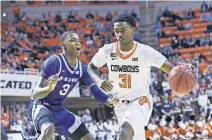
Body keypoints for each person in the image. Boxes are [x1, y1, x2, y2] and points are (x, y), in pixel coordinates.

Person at [87, 13, 174, 140]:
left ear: (133, 30)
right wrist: (99, 81)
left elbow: (169, 68)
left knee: (124, 132)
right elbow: (91, 67)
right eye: (116, 31)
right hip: (119, 105)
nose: (119, 34)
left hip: (140, 101)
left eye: (123, 30)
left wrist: (180, 74)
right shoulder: (108, 50)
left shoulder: (145, 51)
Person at [27, 31, 117, 140]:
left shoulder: (82, 69)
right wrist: (48, 88)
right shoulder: (54, 62)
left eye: (78, 41)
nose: (77, 43)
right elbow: (35, 95)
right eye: (72, 40)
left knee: (88, 138)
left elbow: (96, 93)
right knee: (48, 130)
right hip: (41, 105)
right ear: (63, 45)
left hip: (59, 109)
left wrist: (108, 100)